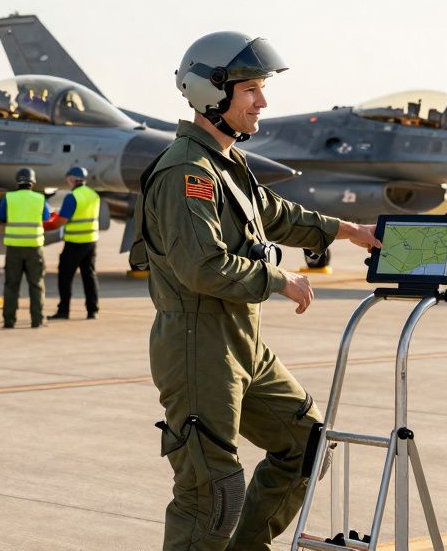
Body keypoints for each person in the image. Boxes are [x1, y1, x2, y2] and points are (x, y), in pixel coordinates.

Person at [133, 31, 381, 550]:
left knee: (307, 445)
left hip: (242, 344)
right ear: (212, 93)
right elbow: (203, 266)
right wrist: (280, 280)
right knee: (211, 493)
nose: (262, 103)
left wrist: (348, 231)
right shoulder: (187, 171)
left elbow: (273, 214)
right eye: (250, 90)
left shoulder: (227, 164)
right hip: (199, 346)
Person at [0, 167, 54, 329]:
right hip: (34, 249)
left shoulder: (9, 198)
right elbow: (47, 217)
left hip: (14, 248)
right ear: (32, 182)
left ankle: (9, 321)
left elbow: (1, 217)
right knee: (36, 284)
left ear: (17, 181)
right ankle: (37, 320)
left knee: (11, 285)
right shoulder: (40, 199)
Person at [45, 166, 101, 320]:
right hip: (90, 242)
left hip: (75, 243)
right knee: (89, 275)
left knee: (65, 276)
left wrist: (46, 223)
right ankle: (92, 310)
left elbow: (60, 222)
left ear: (71, 179)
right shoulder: (93, 195)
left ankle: (63, 310)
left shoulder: (72, 197)